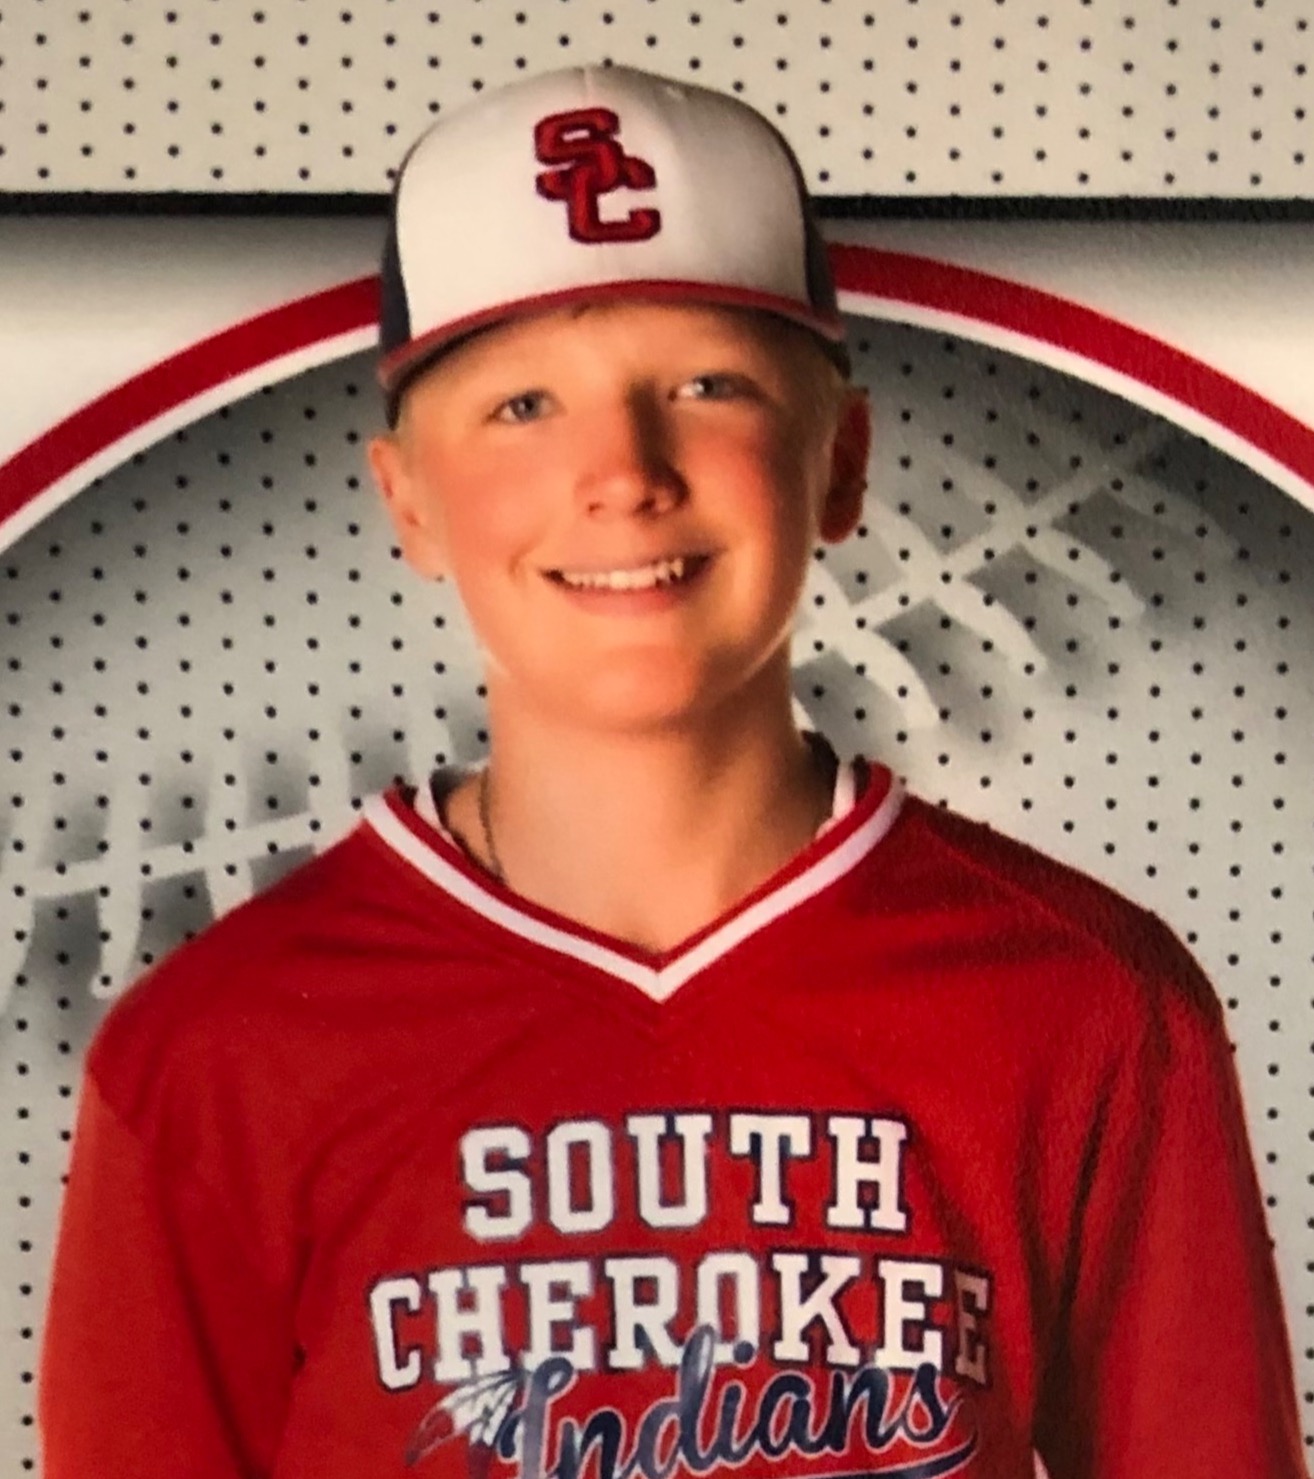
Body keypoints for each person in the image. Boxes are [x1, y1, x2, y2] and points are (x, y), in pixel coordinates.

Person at [39, 64, 1305, 1479]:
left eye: (707, 386)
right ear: (409, 501)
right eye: (523, 405)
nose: (625, 473)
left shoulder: (1087, 998)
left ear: (841, 462)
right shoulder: (209, 1054)